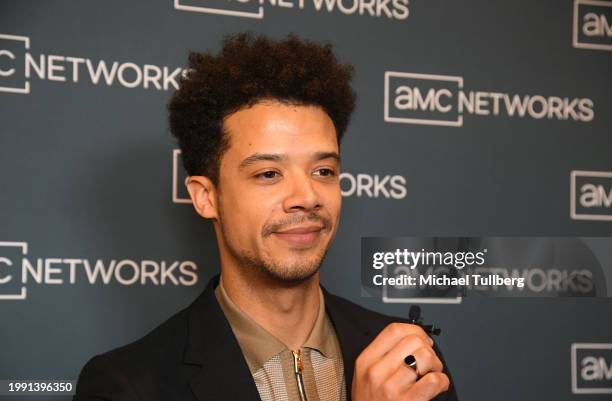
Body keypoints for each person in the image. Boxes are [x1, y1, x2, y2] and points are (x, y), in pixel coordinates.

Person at [74, 32, 458, 401]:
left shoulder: (405, 359)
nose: (306, 197)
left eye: (323, 171)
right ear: (206, 197)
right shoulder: (128, 385)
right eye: (268, 174)